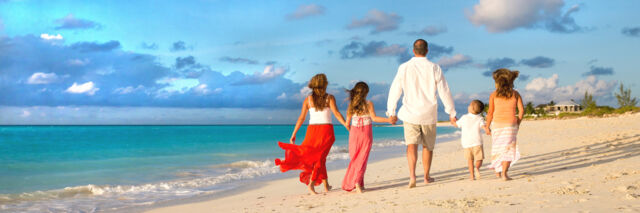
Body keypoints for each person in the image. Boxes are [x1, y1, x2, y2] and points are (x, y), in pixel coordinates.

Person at [387, 39, 457, 188]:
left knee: (411, 145)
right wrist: (451, 112)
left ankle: (412, 176)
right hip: (428, 114)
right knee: (427, 147)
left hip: (410, 113)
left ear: (413, 50)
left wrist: (391, 112)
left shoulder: (404, 67)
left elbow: (395, 89)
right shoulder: (434, 67)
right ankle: (426, 176)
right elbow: (444, 91)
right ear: (427, 50)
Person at [275, 73, 349, 194]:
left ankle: (326, 185)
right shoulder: (330, 97)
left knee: (320, 158)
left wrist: (294, 133)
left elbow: (301, 118)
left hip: (312, 132)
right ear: (325, 84)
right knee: (319, 158)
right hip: (326, 131)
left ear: (312, 85)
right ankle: (312, 184)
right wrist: (346, 124)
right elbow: (336, 113)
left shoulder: (308, 100)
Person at [342, 82, 390, 193]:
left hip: (354, 134)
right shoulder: (369, 104)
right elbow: (374, 118)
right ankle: (358, 183)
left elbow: (347, 123)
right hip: (366, 134)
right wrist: (388, 120)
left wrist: (352, 131)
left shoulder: (351, 106)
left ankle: (360, 183)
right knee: (362, 159)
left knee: (355, 159)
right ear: (366, 92)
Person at [485, 68, 523, 181]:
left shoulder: (493, 95)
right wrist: (518, 123)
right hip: (511, 125)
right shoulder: (515, 94)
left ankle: (498, 171)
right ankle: (504, 174)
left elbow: (490, 112)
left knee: (498, 148)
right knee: (508, 149)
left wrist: (487, 126)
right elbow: (521, 111)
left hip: (497, 125)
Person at [453, 100, 490, 180]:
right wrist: (487, 129)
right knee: (479, 159)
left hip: (466, 143)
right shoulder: (480, 118)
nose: (468, 106)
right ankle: (477, 168)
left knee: (470, 160)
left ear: (472, 108)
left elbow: (456, 124)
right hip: (477, 142)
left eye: (469, 105)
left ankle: (472, 176)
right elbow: (483, 126)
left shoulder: (464, 117)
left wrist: (453, 121)